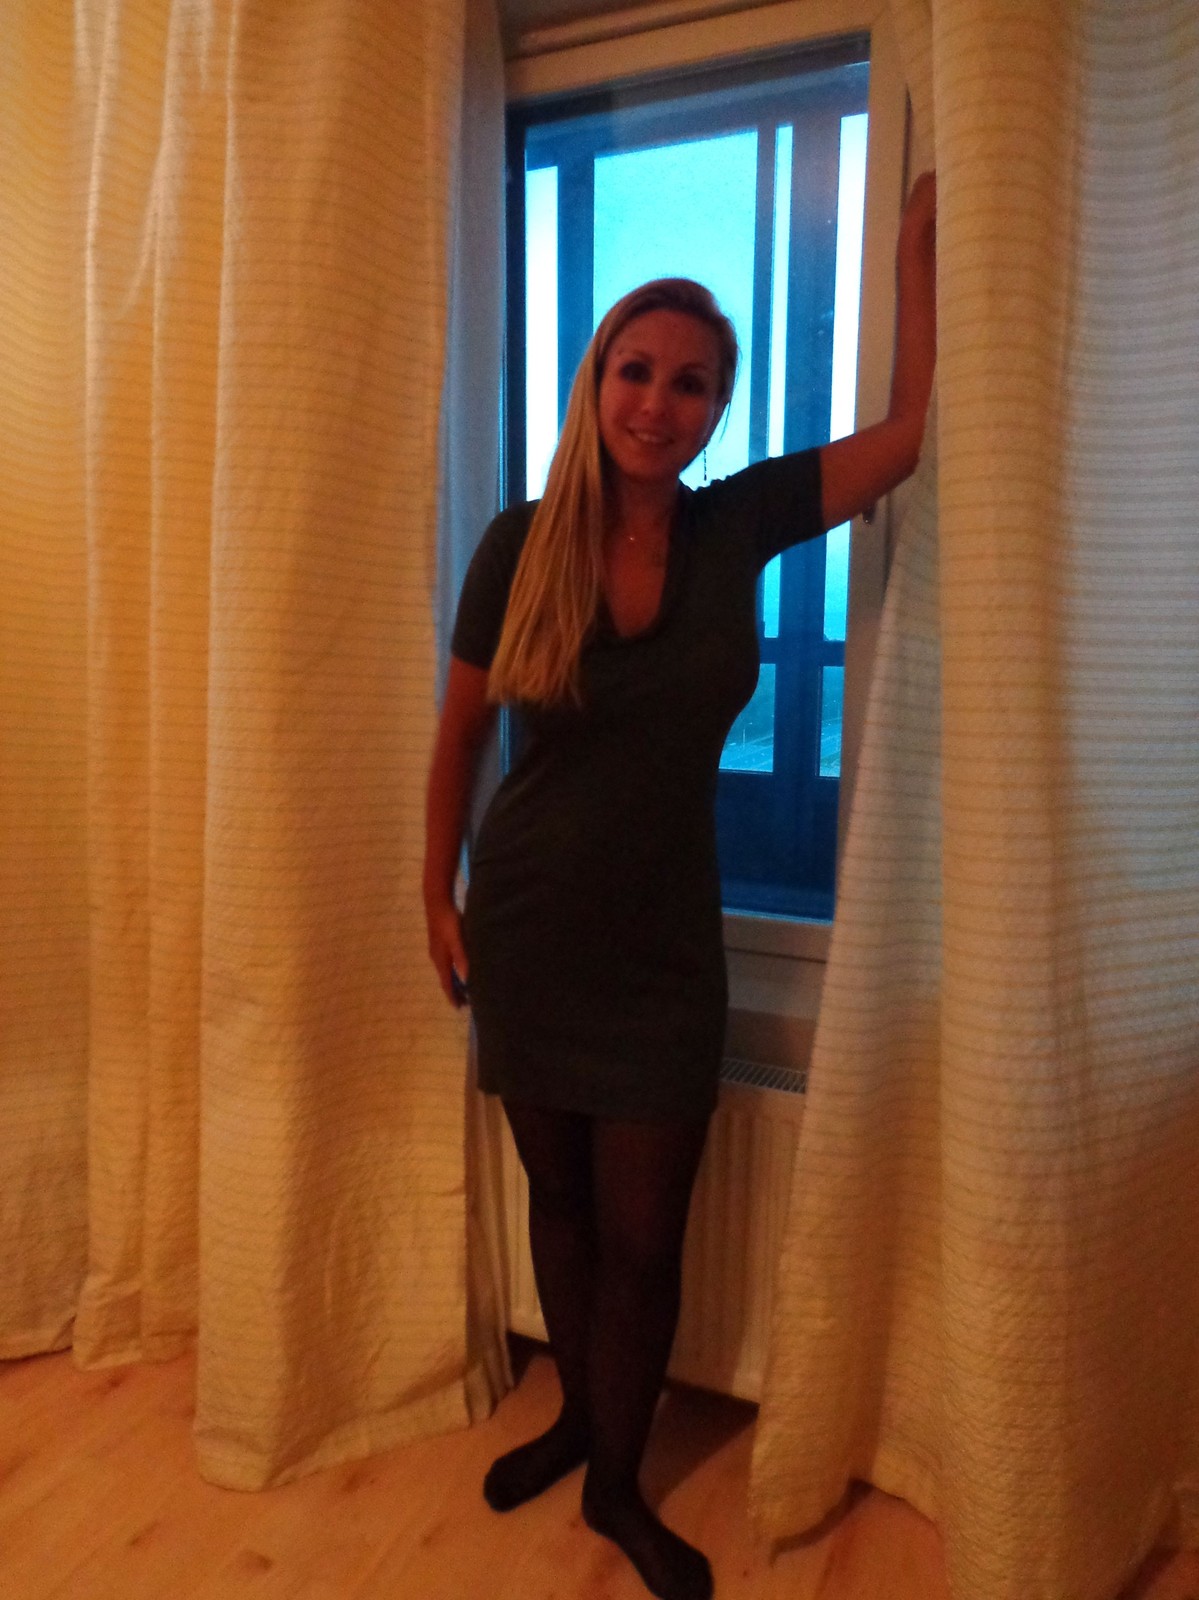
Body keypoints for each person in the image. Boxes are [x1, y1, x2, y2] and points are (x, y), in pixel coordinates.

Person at [424, 172, 937, 1600]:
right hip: (528, 927)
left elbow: (904, 439)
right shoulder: (519, 543)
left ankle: (614, 1482)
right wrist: (433, 895)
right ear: (597, 383)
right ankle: (582, 1427)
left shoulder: (736, 526)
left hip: (662, 951)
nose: (659, 402)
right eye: (636, 371)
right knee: (562, 1202)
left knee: (646, 1237)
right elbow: (458, 737)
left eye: (692, 383)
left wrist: (916, 250)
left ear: (717, 409)